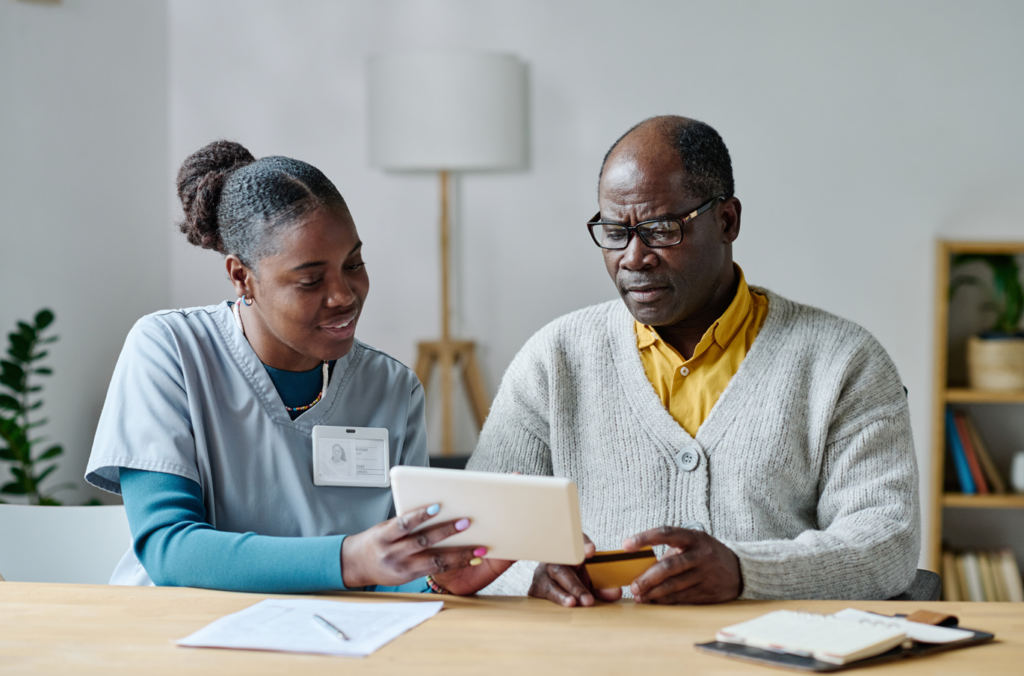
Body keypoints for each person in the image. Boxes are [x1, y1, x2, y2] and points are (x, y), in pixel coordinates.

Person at [466, 116, 921, 605]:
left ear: (727, 221)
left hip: (771, 656)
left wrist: (748, 574)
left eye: (661, 229)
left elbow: (886, 543)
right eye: (615, 231)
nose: (633, 257)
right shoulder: (554, 359)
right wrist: (534, 576)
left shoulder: (843, 362)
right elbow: (471, 539)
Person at [86, 141, 489, 594]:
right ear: (242, 276)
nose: (344, 296)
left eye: (353, 264)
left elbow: (397, 568)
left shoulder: (392, 387)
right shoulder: (171, 350)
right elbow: (169, 549)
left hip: (335, 644)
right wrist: (349, 560)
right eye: (311, 279)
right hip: (182, 641)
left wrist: (439, 578)